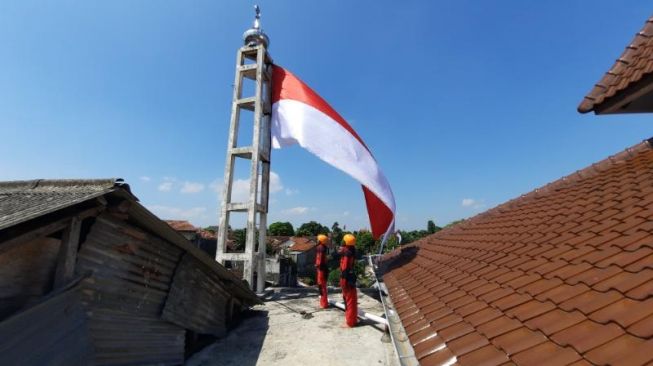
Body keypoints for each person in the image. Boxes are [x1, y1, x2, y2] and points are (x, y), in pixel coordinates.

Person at [340, 234, 358, 327]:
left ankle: (350, 322)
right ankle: (351, 319)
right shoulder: (351, 251)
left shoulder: (347, 252)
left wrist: (344, 279)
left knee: (349, 300)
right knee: (350, 300)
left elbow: (345, 267)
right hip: (349, 277)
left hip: (346, 279)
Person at [315, 234, 329, 309]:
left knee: (322, 286)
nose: (317, 240)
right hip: (323, 269)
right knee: (322, 287)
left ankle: (324, 303)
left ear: (320, 241)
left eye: (318, 239)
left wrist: (317, 266)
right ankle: (323, 302)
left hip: (321, 270)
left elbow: (320, 259)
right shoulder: (323, 248)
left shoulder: (320, 248)